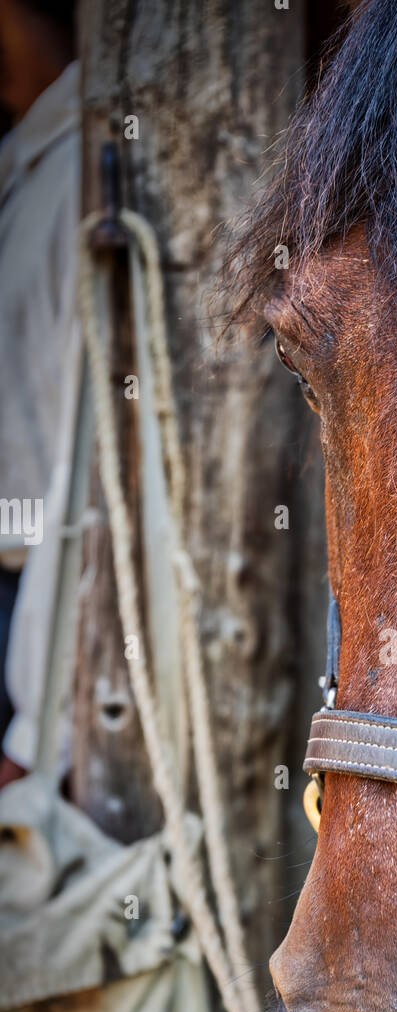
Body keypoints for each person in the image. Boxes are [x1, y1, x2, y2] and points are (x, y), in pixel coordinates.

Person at [0, 0, 80, 788]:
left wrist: (32, 730)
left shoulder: (74, 174)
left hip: (32, 609)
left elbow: (77, 476)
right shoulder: (28, 163)